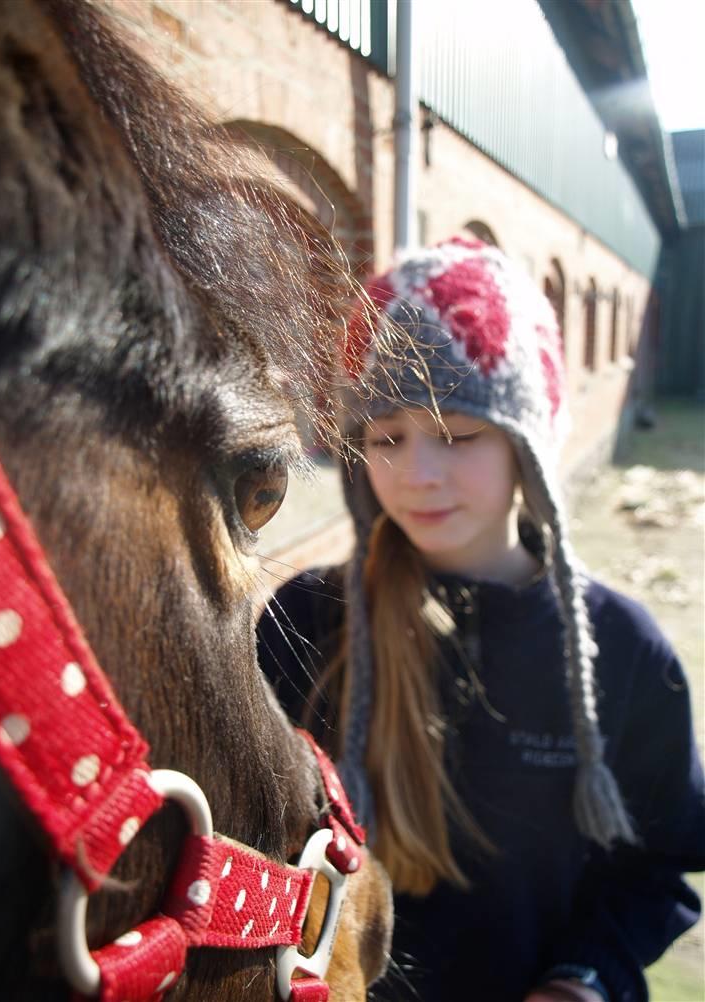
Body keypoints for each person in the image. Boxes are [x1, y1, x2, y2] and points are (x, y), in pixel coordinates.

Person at [257, 238, 705, 1002]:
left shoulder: (623, 651)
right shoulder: (306, 621)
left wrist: (584, 980)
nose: (417, 473)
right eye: (386, 437)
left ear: (529, 448)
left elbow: (657, 871)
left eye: (459, 435)